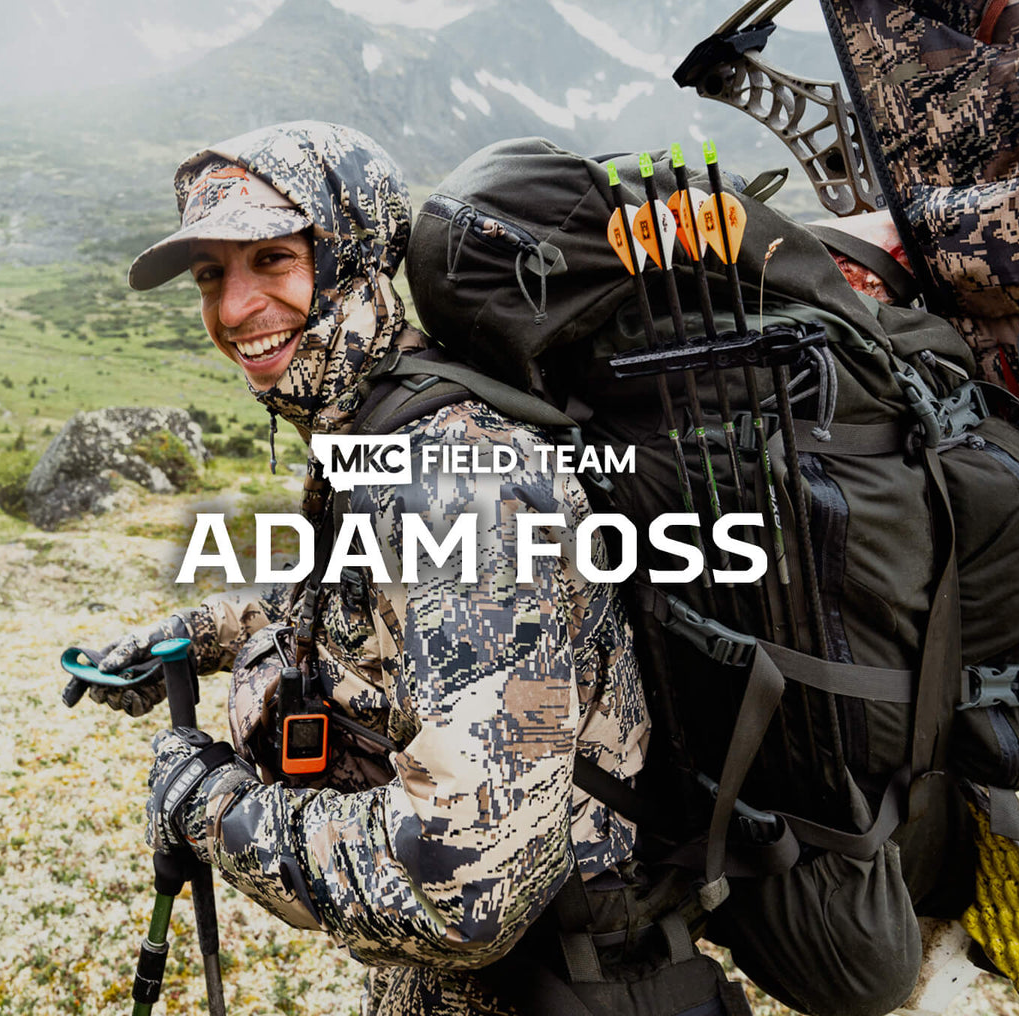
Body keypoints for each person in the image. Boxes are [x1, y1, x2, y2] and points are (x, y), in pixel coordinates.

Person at [85, 121, 680, 1014]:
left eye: (271, 261)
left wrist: (206, 803)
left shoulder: (452, 482)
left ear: (350, 256)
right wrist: (194, 633)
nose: (233, 309)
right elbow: (365, 599)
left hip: (552, 980)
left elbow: (464, 889)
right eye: (213, 274)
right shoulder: (377, 418)